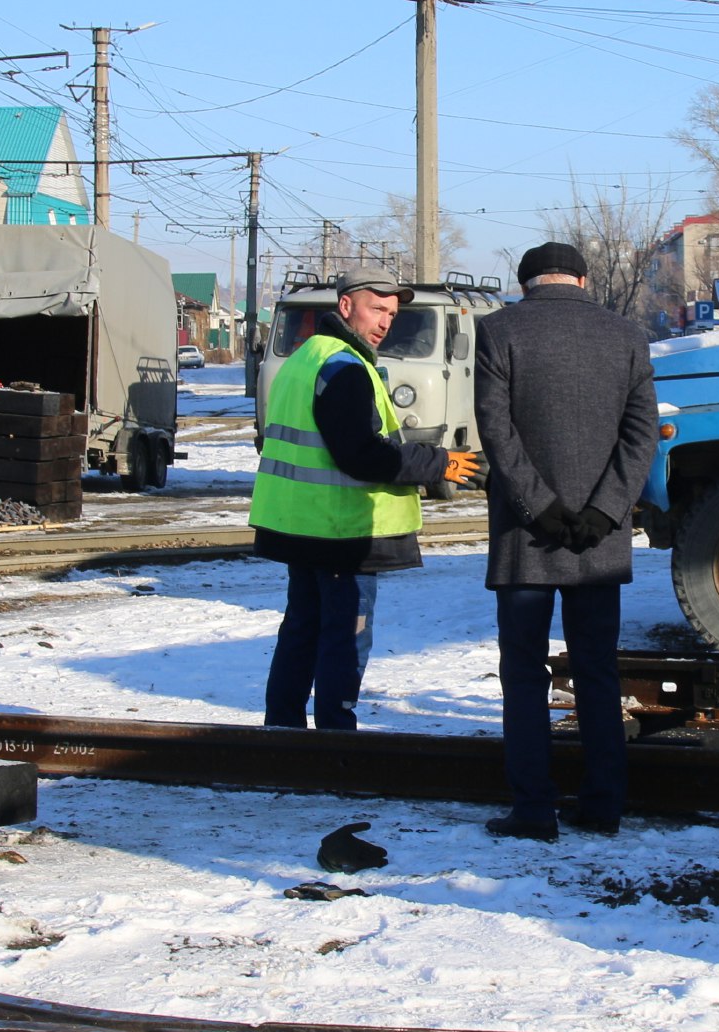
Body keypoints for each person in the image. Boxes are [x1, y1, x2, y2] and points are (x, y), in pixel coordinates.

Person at [472, 242, 659, 840]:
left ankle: (533, 810)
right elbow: (641, 434)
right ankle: (604, 805)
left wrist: (542, 509)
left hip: (525, 535)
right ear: (581, 279)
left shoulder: (497, 331)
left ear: (525, 282)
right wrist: (604, 512)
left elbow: (496, 431)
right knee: (598, 672)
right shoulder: (626, 335)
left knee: (524, 674)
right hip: (598, 542)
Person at [250, 271, 478, 729]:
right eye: (377, 309)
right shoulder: (347, 368)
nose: (386, 322)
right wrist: (440, 463)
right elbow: (363, 455)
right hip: (343, 531)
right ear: (347, 306)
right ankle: (337, 739)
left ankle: (282, 734)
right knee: (343, 640)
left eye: (392, 314)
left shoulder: (305, 357)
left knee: (300, 633)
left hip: (301, 524)